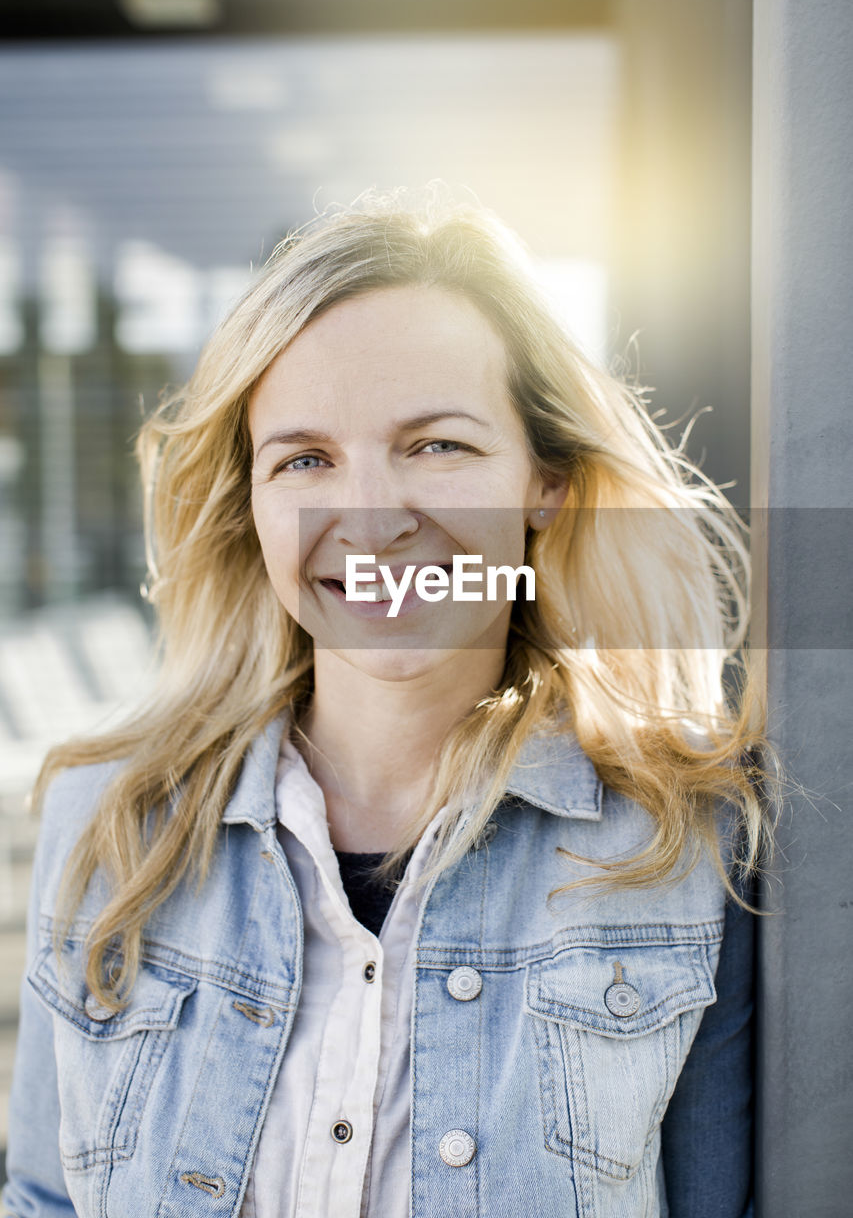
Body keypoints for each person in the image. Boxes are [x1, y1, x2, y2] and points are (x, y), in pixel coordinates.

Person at [3, 187, 772, 1218]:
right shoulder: (107, 819)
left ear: (544, 479)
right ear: (253, 504)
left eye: (436, 446)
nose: (370, 518)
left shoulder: (689, 837)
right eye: (305, 459)